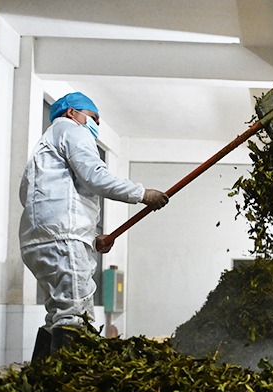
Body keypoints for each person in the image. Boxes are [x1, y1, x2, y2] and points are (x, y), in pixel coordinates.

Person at [19, 92, 169, 362]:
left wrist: (90, 237)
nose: (95, 126)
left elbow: (31, 196)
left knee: (59, 314)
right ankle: (66, 391)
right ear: (71, 113)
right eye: (93, 118)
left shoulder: (42, 151)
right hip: (64, 237)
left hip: (39, 241)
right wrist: (142, 194)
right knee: (73, 317)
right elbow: (94, 176)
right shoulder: (71, 130)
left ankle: (39, 382)